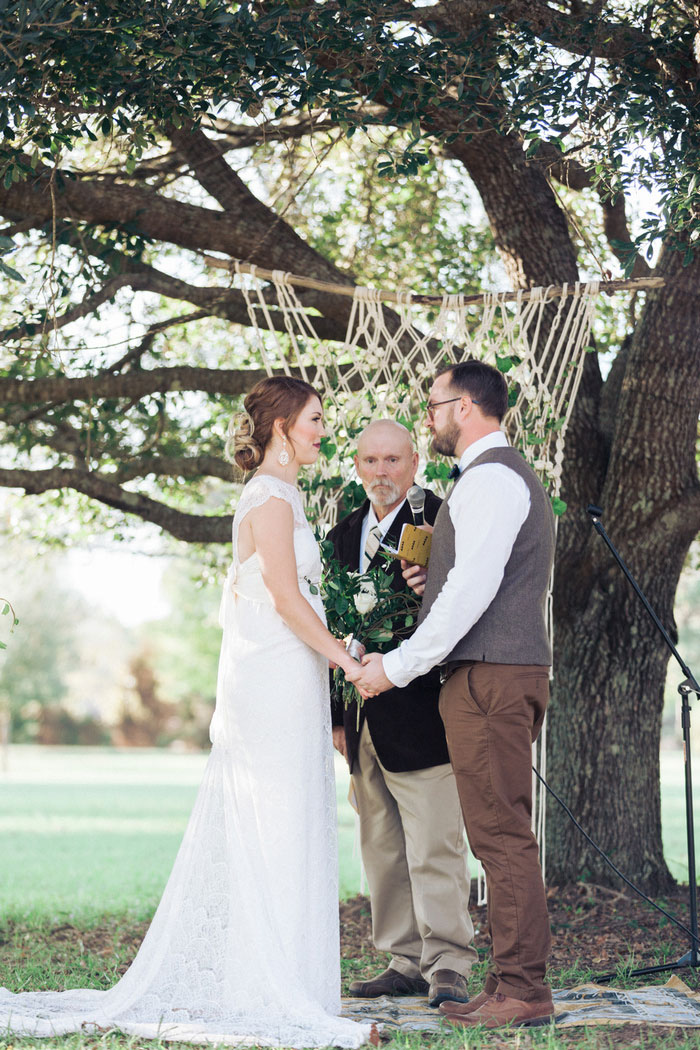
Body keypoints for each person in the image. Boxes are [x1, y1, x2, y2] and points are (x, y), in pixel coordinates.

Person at [0, 376, 373, 1049]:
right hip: (272, 683)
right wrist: (346, 663)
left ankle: (286, 981)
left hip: (288, 674)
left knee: (293, 823)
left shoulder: (285, 496)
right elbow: (287, 601)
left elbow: (291, 603)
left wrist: (334, 647)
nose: (324, 430)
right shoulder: (268, 498)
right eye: (315, 419)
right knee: (276, 824)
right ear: (281, 427)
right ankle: (268, 989)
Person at [356, 360, 556, 1029]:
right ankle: (504, 982)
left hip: (491, 676)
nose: (430, 417)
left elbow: (472, 594)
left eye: (435, 405)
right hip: (484, 674)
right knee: (494, 836)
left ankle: (524, 989)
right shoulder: (483, 480)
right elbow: (467, 583)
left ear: (466, 408)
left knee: (501, 839)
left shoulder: (492, 481)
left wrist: (400, 665)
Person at [327, 420, 477, 1007]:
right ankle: (403, 958)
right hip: (361, 721)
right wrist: (336, 720)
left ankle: (448, 963)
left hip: (424, 716)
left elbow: (465, 610)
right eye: (370, 461)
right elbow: (332, 632)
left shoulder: (442, 522)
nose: (381, 473)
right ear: (358, 467)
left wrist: (427, 592)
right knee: (382, 847)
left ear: (415, 462)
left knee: (435, 845)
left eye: (392, 460)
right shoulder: (340, 534)